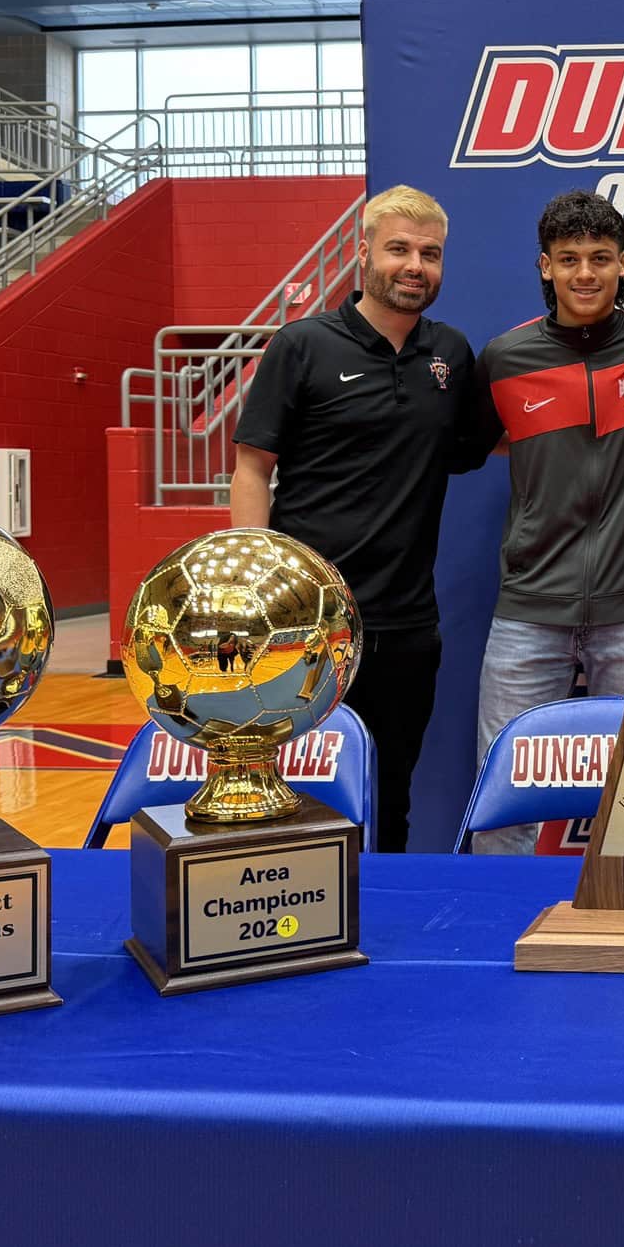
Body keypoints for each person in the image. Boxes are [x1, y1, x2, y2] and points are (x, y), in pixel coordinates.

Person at [231, 184, 480, 851]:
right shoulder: (302, 345)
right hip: (303, 623)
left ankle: (379, 926)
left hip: (406, 626)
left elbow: (498, 437)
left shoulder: (450, 357)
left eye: (430, 254)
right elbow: (252, 467)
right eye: (398, 248)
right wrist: (250, 595)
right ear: (363, 251)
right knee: (289, 790)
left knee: (387, 793)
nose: (414, 266)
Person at [466, 190, 624, 852]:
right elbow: (473, 443)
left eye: (599, 258)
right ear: (544, 267)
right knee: (504, 785)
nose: (584, 273)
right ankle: (497, 913)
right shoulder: (506, 359)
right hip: (530, 607)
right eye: (569, 260)